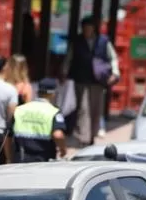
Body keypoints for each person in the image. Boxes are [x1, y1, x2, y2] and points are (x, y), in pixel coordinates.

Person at [62, 16, 119, 147]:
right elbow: (69, 57)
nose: (87, 30)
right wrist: (64, 72)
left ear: (94, 28)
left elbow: (113, 58)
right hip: (81, 79)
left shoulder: (104, 41)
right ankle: (84, 137)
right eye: (85, 28)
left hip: (98, 81)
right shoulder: (77, 41)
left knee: (95, 109)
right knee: (83, 108)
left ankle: (92, 135)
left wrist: (115, 73)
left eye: (89, 27)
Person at [11, 78, 68, 163]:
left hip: (20, 159)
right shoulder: (53, 111)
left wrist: (9, 157)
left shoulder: (19, 110)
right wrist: (63, 150)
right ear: (53, 94)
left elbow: (7, 136)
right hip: (42, 160)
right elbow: (58, 135)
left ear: (38, 92)